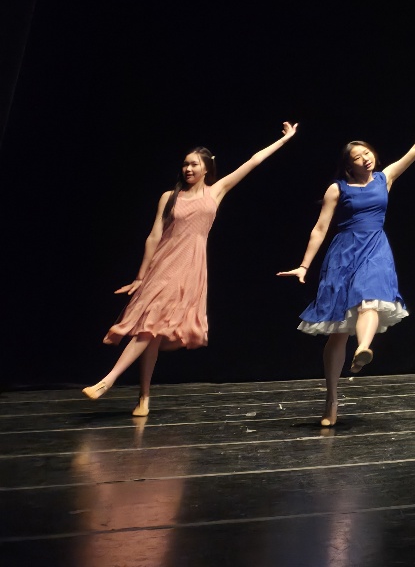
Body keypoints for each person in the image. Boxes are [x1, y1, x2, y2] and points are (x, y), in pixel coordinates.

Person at [84, 122, 300, 416]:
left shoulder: (216, 191)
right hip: (164, 264)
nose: (187, 168)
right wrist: (140, 276)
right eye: (185, 164)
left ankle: (123, 388)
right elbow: (154, 236)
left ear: (206, 168)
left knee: (152, 329)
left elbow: (253, 161)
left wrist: (284, 140)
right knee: (151, 327)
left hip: (191, 265)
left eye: (194, 164)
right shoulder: (169, 197)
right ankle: (124, 388)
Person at [279, 101, 415, 427]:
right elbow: (320, 228)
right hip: (344, 253)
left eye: (367, 152)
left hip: (375, 248)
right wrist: (303, 266)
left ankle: (364, 348)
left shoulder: (385, 178)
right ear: (349, 165)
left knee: (370, 298)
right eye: (358, 157)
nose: (365, 158)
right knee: (338, 332)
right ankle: (332, 399)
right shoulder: (337, 189)